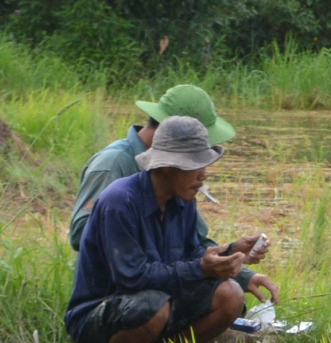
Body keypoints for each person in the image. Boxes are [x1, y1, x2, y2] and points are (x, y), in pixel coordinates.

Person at [65, 116, 281, 343]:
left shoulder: (183, 200)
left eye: (204, 165)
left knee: (230, 295)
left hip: (158, 304)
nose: (203, 175)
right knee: (154, 305)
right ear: (167, 167)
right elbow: (133, 278)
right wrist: (202, 269)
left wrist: (231, 251)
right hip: (100, 318)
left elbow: (192, 256)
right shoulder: (120, 200)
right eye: (194, 166)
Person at [67, 85, 247, 255]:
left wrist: (232, 260)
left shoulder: (179, 173)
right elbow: (80, 234)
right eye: (195, 147)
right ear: (167, 132)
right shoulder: (113, 164)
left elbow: (197, 241)